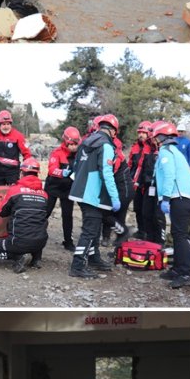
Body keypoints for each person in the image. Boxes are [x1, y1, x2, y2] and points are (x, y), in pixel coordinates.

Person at [68, 114, 121, 279]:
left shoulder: (86, 142)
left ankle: (93, 257)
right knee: (90, 231)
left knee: (94, 227)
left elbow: (76, 166)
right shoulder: (105, 145)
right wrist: (115, 197)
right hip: (93, 194)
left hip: (80, 191)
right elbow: (106, 172)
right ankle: (77, 265)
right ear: (113, 130)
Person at [0, 158, 49, 273]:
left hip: (18, 241)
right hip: (41, 242)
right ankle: (36, 259)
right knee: (36, 228)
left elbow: (2, 212)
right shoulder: (44, 194)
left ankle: (18, 257)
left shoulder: (15, 190)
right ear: (37, 174)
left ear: (22, 173)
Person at [154, 121, 190, 290]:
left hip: (179, 197)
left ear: (162, 137)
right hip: (183, 197)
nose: (155, 140)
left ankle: (185, 273)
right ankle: (178, 268)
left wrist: (165, 198)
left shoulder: (166, 151)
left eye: (157, 137)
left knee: (179, 235)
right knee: (178, 233)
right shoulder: (175, 151)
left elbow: (170, 174)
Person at [45, 127, 81, 252]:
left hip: (68, 188)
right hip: (53, 186)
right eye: (71, 144)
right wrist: (62, 172)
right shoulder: (57, 152)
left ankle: (68, 241)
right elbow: (51, 169)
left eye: (76, 144)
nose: (73, 147)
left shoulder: (79, 154)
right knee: (46, 212)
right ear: (65, 142)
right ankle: (37, 234)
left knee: (67, 215)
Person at [129, 122, 160, 244]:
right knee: (137, 208)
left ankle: (149, 233)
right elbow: (132, 164)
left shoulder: (152, 148)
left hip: (147, 183)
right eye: (140, 132)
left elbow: (148, 167)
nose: (141, 135)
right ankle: (141, 230)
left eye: (143, 133)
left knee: (147, 210)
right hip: (136, 182)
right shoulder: (136, 147)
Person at [0, 110, 32, 186]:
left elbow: (27, 154)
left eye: (8, 124)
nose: (6, 127)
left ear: (11, 123)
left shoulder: (18, 136)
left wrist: (27, 171)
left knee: (13, 194)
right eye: (3, 124)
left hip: (13, 171)